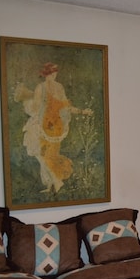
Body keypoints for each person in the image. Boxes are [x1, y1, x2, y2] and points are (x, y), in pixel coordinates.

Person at [14, 62, 93, 193]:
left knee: (48, 155)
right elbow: (38, 108)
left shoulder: (57, 87)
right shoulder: (42, 87)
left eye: (55, 72)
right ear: (46, 74)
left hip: (54, 126)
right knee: (43, 154)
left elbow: (65, 106)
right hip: (45, 124)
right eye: (51, 72)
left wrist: (82, 111)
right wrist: (31, 102)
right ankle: (52, 184)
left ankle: (56, 182)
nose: (54, 75)